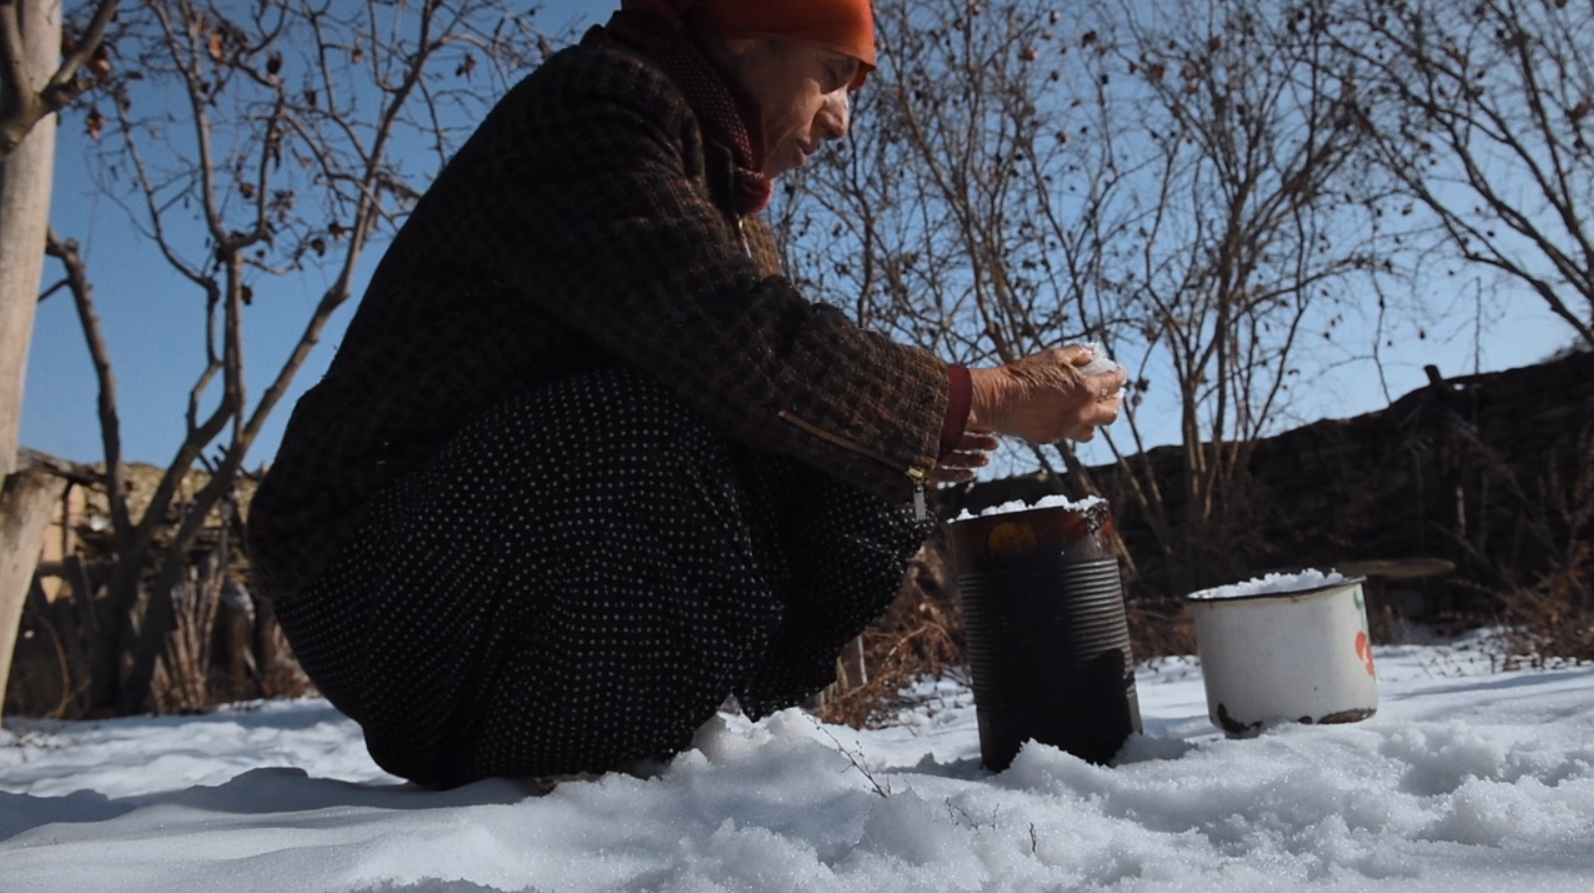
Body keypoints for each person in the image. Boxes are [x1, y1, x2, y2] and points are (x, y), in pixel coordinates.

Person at [246, 0, 1126, 789]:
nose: (842, 121)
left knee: (865, 472)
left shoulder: (722, 199)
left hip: (503, 558)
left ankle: (723, 735)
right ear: (748, 36)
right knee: (644, 426)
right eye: (832, 75)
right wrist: (979, 395)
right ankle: (582, 753)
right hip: (373, 579)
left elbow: (775, 381)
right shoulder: (595, 111)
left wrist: (914, 429)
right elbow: (726, 335)